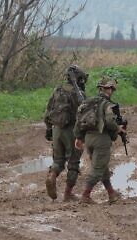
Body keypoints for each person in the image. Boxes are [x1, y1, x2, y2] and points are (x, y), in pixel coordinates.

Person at [74, 77, 126, 204]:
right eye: (109, 88)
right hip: (101, 139)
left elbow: (79, 120)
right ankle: (85, 195)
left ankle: (111, 194)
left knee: (102, 167)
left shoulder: (88, 102)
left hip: (89, 138)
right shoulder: (107, 105)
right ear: (103, 89)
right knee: (97, 169)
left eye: (111, 88)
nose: (110, 91)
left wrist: (79, 137)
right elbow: (109, 121)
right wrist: (118, 129)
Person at [44, 65, 88, 201]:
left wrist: (48, 128)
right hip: (71, 131)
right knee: (73, 163)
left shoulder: (57, 90)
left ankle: (52, 176)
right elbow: (84, 116)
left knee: (58, 160)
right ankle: (68, 194)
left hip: (57, 129)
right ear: (79, 79)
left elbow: (48, 110)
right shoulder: (78, 94)